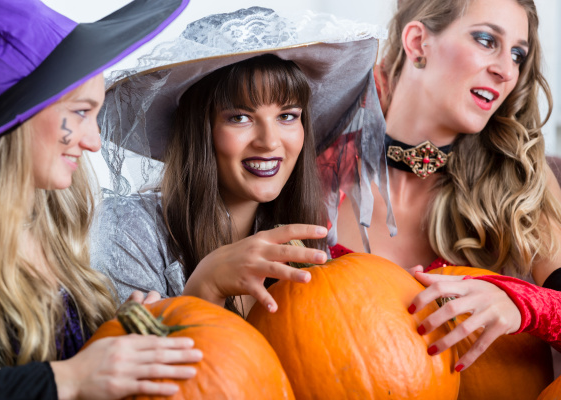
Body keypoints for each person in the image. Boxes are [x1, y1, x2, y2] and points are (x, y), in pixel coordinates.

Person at [0, 0, 204, 399]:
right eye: (79, 112)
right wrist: (70, 379)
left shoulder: (52, 220)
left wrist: (111, 334)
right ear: (16, 119)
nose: (93, 142)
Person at [90, 7, 388, 317]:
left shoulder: (307, 239)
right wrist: (205, 287)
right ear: (200, 129)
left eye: (287, 116)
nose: (270, 141)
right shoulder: (129, 233)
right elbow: (130, 357)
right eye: (240, 117)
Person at [331, 0, 561, 373]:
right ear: (419, 42)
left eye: (518, 54)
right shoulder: (313, 157)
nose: (506, 70)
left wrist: (523, 304)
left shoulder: (520, 173)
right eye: (486, 40)